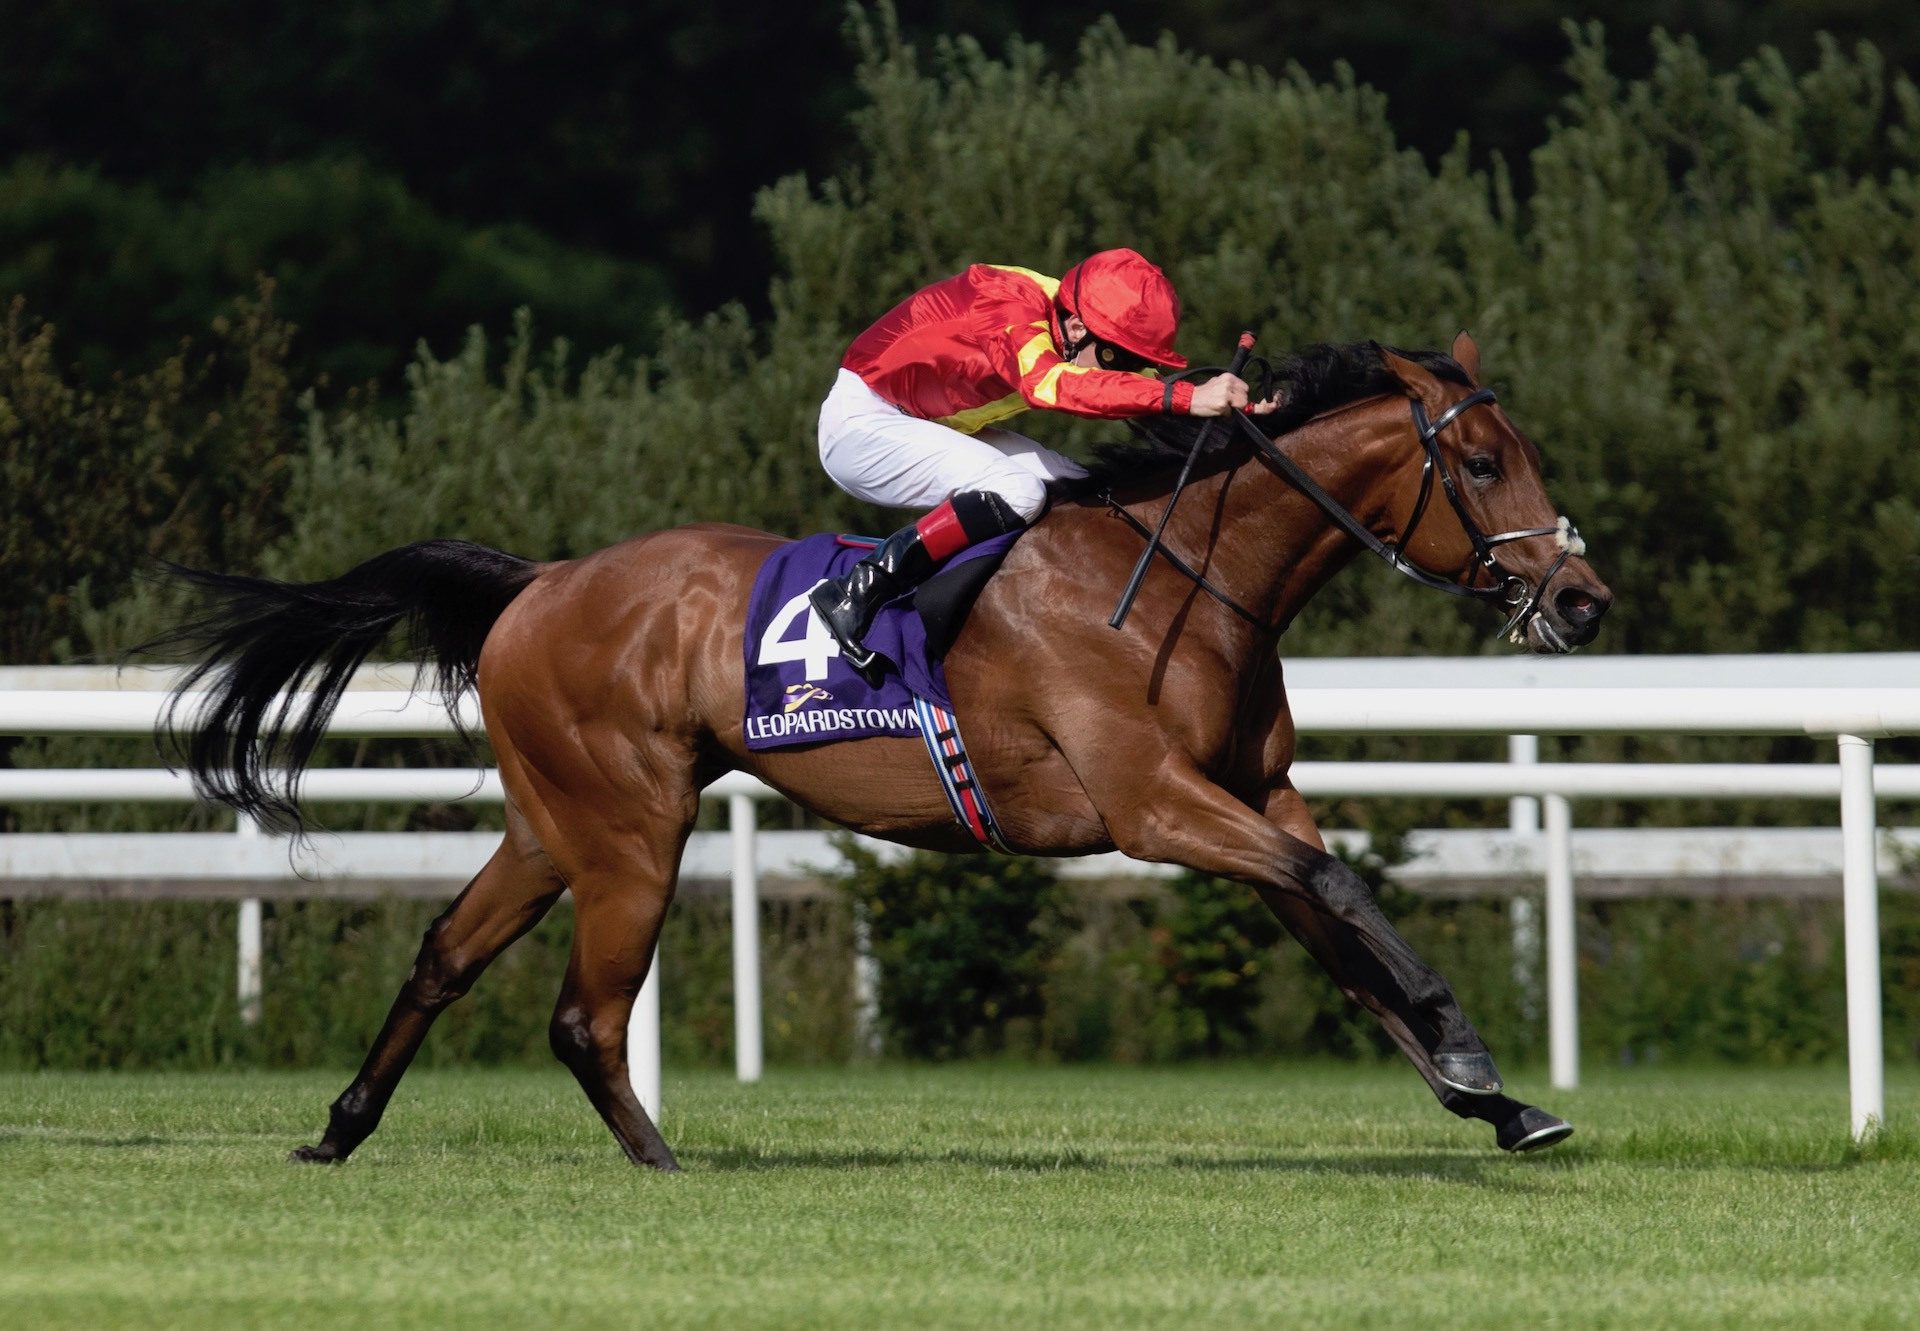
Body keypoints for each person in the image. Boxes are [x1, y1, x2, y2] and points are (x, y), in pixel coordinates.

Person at [810, 247, 1265, 678]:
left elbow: (1147, 390)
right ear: (1077, 330)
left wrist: (1238, 413)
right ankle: (859, 591)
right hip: (863, 425)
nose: (1124, 371)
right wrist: (1185, 397)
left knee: (1086, 487)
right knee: (1020, 492)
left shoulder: (1072, 318)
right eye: (1119, 358)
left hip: (927, 422)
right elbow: (1048, 385)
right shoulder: (1008, 306)